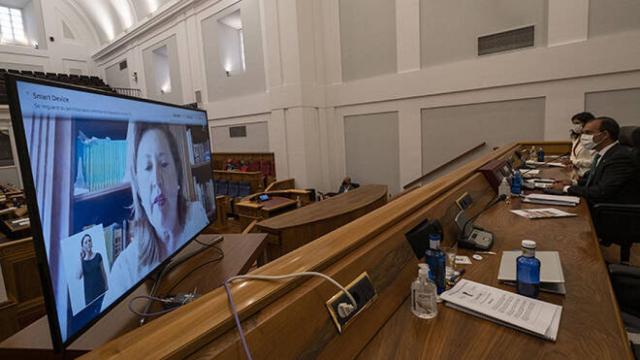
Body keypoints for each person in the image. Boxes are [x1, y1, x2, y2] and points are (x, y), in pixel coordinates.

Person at [104, 123, 209, 305]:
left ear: (177, 176)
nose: (156, 180)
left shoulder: (197, 216)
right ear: (138, 189)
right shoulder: (125, 269)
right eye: (147, 167)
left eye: (164, 164)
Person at [552, 116, 640, 205]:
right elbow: (596, 179)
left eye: (588, 133)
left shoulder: (620, 157)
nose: (583, 137)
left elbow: (601, 191)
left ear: (605, 135)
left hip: (610, 212)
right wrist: (573, 182)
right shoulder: (605, 153)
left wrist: (565, 188)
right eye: (583, 133)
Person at [76, 234, 108, 306]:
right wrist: (80, 258)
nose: (88, 243)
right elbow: (78, 276)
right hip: (89, 295)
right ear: (83, 246)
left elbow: (103, 272)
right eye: (86, 242)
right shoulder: (82, 261)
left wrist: (106, 285)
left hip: (101, 289)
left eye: (89, 241)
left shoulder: (98, 255)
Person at [567, 112, 596, 177]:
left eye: (577, 123)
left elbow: (594, 161)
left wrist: (575, 162)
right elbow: (573, 155)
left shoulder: (592, 139)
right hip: (576, 172)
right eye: (574, 124)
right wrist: (571, 161)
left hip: (588, 174)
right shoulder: (576, 138)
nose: (575, 126)